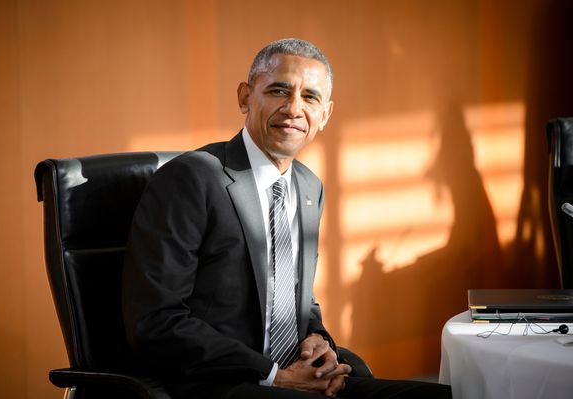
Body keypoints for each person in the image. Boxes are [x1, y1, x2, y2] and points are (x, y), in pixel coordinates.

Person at [121, 38, 451, 399]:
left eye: (310, 97)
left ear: (324, 115)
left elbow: (299, 301)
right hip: (220, 384)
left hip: (296, 376)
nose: (294, 108)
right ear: (245, 97)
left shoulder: (309, 187)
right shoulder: (192, 178)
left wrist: (316, 339)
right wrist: (274, 375)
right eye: (279, 90)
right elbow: (156, 321)